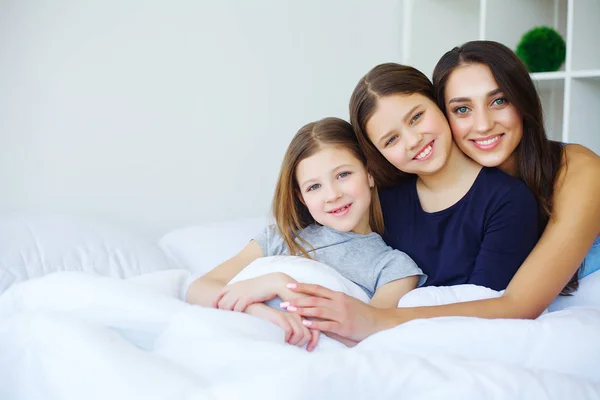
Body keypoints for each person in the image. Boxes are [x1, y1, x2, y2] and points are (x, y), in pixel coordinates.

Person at [282, 41, 600, 345]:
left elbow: (517, 305)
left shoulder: (575, 170)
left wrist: (377, 320)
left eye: (499, 101)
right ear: (445, 112)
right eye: (462, 109)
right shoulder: (401, 193)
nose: (484, 124)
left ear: (524, 100)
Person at [185, 117, 425, 351]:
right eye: (314, 187)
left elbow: (368, 332)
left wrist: (285, 289)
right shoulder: (279, 238)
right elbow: (198, 289)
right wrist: (261, 299)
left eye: (343, 175)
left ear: (369, 174)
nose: (332, 195)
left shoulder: (394, 267)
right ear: (302, 198)